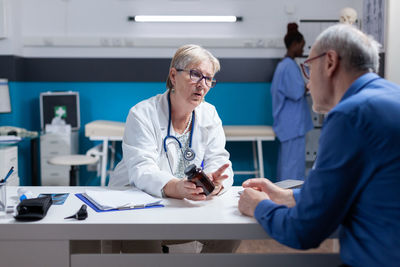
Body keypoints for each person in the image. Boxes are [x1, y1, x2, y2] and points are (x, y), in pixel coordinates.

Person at [238, 24, 400, 266]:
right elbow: (340, 190)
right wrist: (285, 196)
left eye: (309, 67)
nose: (308, 80)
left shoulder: (350, 115)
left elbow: (304, 229)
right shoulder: (389, 96)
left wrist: (259, 206)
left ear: (330, 62)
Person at [109, 44, 238, 253]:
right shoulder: (143, 114)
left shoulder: (209, 114)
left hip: (182, 204)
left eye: (208, 79)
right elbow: (142, 170)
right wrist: (176, 187)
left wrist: (215, 183)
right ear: (173, 75)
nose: (202, 85)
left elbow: (219, 159)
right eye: (195, 75)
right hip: (138, 202)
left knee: (229, 233)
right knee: (144, 238)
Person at [270, 22, 313, 181]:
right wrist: (312, 85)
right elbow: (296, 92)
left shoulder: (286, 65)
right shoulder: (288, 66)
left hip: (290, 125)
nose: (303, 50)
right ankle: (289, 201)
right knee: (292, 169)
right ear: (294, 44)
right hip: (292, 125)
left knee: (288, 165)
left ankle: (285, 199)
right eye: (301, 46)